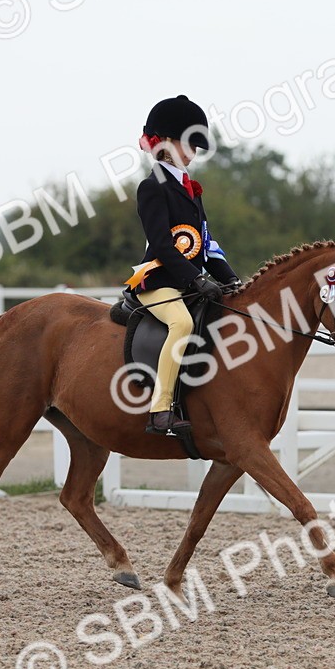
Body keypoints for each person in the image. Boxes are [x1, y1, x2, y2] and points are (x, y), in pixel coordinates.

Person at [125, 94, 241, 435]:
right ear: (168, 143)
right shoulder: (152, 187)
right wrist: (194, 279)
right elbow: (162, 243)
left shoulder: (192, 191)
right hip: (158, 282)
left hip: (188, 282)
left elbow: (206, 242)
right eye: (188, 143)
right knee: (181, 324)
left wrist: (230, 279)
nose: (193, 152)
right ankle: (160, 409)